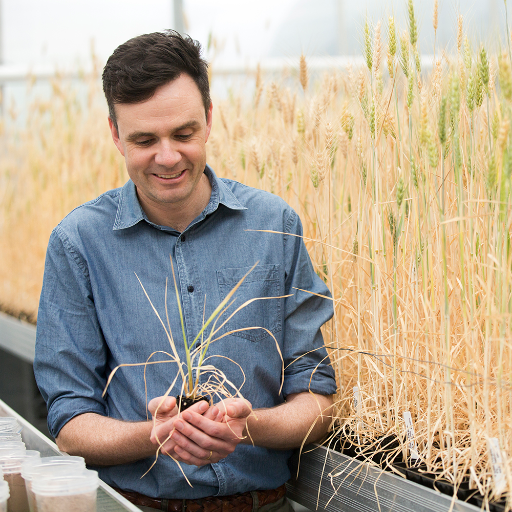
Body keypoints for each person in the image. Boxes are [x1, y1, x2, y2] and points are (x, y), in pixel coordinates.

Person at [34, 30, 337, 512]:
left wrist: (247, 426)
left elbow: (317, 398)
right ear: (115, 135)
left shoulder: (275, 226)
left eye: (184, 134)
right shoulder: (78, 244)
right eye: (144, 139)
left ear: (210, 119)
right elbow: (69, 423)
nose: (168, 157)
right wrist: (153, 436)